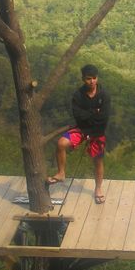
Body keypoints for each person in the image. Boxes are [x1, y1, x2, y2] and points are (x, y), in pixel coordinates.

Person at [47, 64, 111, 204]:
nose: (92, 81)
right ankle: (61, 172)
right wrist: (94, 113)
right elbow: (78, 115)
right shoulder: (78, 95)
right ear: (83, 79)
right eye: (89, 79)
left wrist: (89, 117)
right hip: (81, 129)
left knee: (98, 160)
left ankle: (98, 188)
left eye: (94, 78)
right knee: (61, 143)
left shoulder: (104, 95)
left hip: (97, 132)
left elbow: (104, 118)